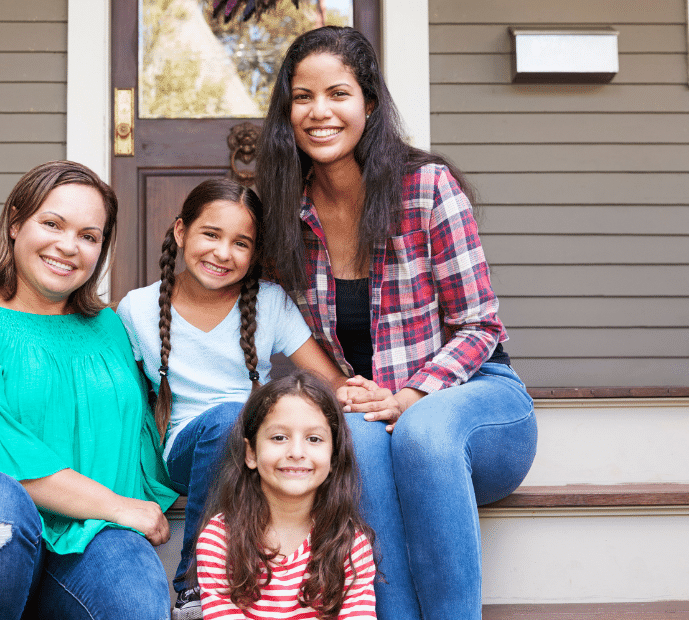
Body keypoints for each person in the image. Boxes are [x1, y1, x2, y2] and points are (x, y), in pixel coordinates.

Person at [255, 26, 538, 620]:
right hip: (377, 414)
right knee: (348, 440)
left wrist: (411, 394)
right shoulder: (288, 212)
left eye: (338, 93)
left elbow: (481, 327)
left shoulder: (427, 187)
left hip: (475, 400)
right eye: (302, 97)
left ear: (370, 105)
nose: (319, 112)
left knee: (423, 432)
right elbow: (265, 314)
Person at [0, 160, 178, 620]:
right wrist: (119, 507)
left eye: (89, 236)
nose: (68, 246)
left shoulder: (108, 326)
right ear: (15, 224)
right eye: (52, 223)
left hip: (84, 538)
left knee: (134, 598)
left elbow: (140, 431)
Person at [117, 178, 377, 620]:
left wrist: (357, 391)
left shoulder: (269, 303)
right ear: (181, 232)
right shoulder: (137, 308)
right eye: (211, 235)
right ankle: (193, 584)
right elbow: (125, 404)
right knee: (225, 421)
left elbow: (326, 378)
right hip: (184, 450)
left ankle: (328, 577)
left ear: (255, 254)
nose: (223, 253)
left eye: (241, 243)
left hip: (258, 449)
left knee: (253, 424)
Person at [194, 370, 377, 620]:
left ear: (333, 456)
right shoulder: (219, 539)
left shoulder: (350, 543)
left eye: (314, 439)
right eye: (279, 437)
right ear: (251, 453)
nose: (297, 452)